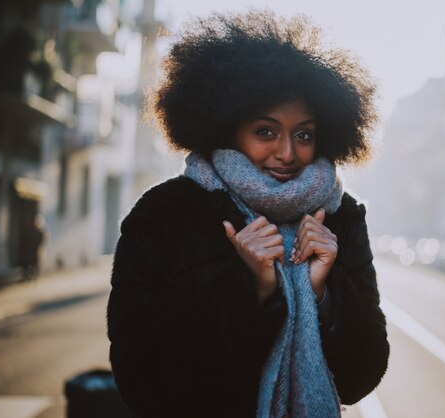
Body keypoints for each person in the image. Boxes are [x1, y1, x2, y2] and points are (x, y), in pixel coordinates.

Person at [106, 10, 389, 418]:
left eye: (304, 134)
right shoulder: (164, 218)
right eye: (266, 131)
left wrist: (324, 294)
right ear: (227, 128)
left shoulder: (340, 217)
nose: (288, 153)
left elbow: (361, 377)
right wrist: (248, 291)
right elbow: (144, 385)